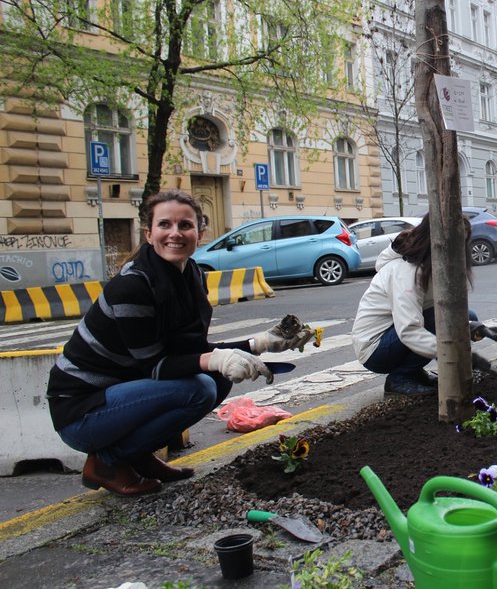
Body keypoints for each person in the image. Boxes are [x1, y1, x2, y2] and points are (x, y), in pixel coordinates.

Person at [47, 190, 314, 496]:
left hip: (121, 395)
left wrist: (262, 342)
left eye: (185, 225)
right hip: (83, 412)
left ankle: (137, 457)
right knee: (198, 389)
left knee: (216, 378)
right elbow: (153, 366)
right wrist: (217, 359)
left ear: (200, 233)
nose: (175, 234)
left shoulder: (191, 276)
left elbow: (189, 351)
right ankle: (107, 462)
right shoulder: (132, 286)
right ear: (149, 234)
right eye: (165, 225)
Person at [351, 214, 497, 395]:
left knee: (468, 317)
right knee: (439, 320)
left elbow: (447, 313)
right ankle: (399, 378)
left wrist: (482, 329)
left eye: (463, 241)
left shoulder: (434, 265)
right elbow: (410, 329)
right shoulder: (406, 271)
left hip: (395, 336)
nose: (458, 248)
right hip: (376, 349)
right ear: (435, 240)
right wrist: (456, 354)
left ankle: (413, 372)